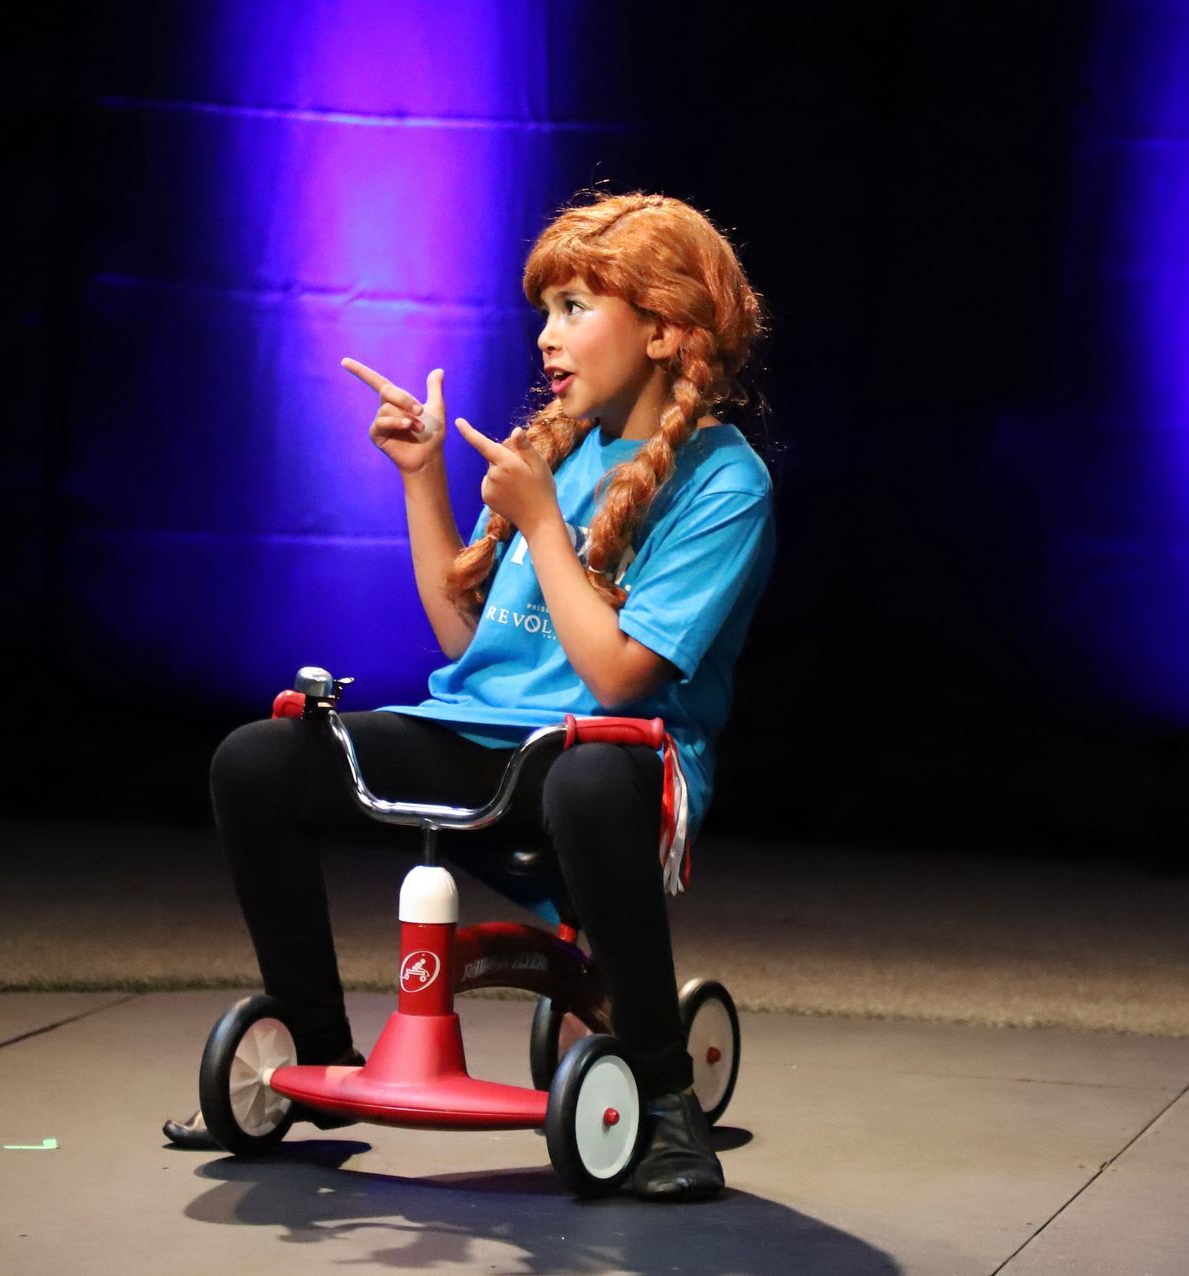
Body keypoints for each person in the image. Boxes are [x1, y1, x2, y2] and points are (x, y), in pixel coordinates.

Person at [169, 192, 776, 1202]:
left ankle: (667, 1100)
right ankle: (317, 1053)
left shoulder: (724, 481)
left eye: (577, 306)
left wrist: (544, 525)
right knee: (257, 759)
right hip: (484, 740)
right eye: (545, 311)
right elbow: (473, 645)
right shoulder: (565, 447)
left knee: (583, 780)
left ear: (666, 329)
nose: (547, 334)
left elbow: (623, 676)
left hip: (614, 755)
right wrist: (421, 478)